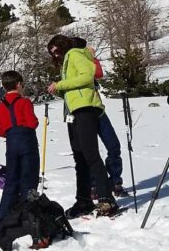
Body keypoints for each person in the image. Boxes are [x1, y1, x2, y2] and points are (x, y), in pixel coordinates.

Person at [47, 35, 118, 218]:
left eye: (55, 50)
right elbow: (74, 90)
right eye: (51, 53)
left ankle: (106, 198)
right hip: (75, 111)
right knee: (80, 158)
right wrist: (59, 91)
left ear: (62, 46)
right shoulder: (66, 61)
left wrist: (61, 84)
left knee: (91, 155)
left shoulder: (75, 54)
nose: (55, 55)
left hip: (86, 109)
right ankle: (83, 200)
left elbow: (87, 76)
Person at [72, 37, 127, 198]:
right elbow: (97, 72)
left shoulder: (85, 62)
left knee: (113, 145)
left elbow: (98, 74)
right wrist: (92, 57)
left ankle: (114, 181)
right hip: (83, 112)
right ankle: (96, 185)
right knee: (91, 152)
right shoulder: (77, 62)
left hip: (98, 110)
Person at [0, 70, 40, 229]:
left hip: (11, 142)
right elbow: (32, 123)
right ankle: (27, 214)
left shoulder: (0, 105)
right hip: (27, 141)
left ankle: (3, 215)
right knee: (29, 177)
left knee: (11, 180)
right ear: (18, 84)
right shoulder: (24, 102)